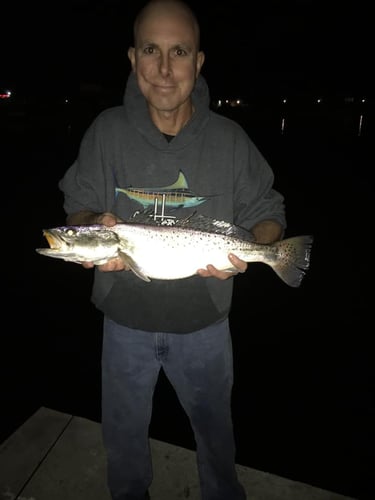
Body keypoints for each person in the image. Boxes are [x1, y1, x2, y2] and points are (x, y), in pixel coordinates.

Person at [58, 1, 286, 498]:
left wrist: (260, 251)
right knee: (122, 443)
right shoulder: (106, 132)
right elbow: (76, 208)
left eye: (178, 51)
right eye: (150, 50)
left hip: (205, 326)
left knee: (216, 440)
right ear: (132, 58)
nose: (164, 69)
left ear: (198, 62)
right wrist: (89, 225)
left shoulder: (230, 139)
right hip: (123, 325)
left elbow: (269, 211)